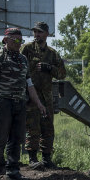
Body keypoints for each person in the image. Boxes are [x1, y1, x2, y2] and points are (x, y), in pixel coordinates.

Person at [0, 28, 46, 180]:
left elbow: (29, 84)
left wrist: (38, 103)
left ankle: (13, 170)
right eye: (16, 40)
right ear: (6, 40)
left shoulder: (23, 59)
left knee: (16, 138)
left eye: (21, 41)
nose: (19, 44)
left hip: (20, 103)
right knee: (0, 137)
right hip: (3, 102)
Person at [21, 21, 66, 169]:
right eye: (35, 32)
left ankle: (47, 158)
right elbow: (19, 69)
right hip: (31, 97)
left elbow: (62, 74)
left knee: (48, 128)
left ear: (46, 34)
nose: (36, 34)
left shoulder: (52, 53)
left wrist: (50, 68)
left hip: (46, 98)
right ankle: (33, 159)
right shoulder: (26, 49)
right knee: (32, 128)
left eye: (39, 32)